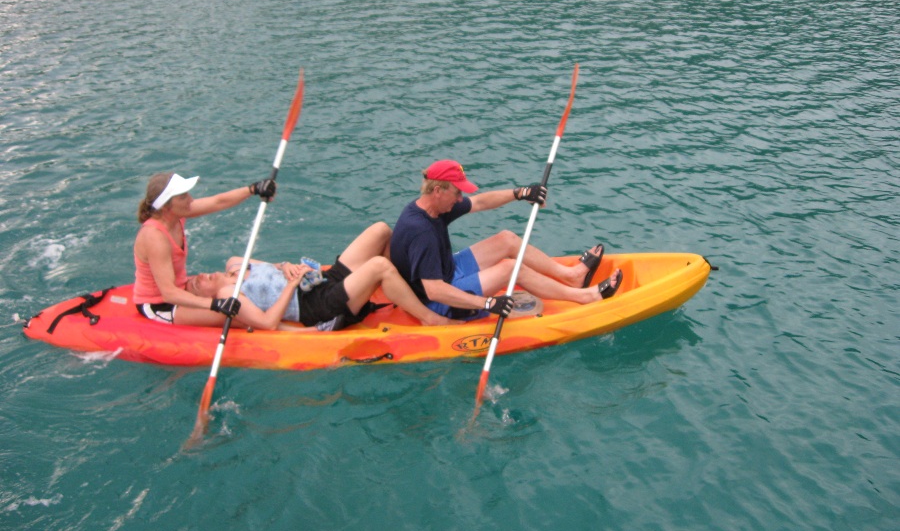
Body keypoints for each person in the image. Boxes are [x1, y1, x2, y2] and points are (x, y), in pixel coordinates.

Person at [390, 159, 623, 320]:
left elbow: (480, 202)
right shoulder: (421, 231)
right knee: (511, 269)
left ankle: (571, 277)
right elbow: (434, 291)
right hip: (441, 301)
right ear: (438, 191)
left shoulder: (434, 207)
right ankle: (584, 296)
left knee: (507, 239)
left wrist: (520, 193)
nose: (461, 198)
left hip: (448, 270)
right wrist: (487, 304)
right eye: (457, 192)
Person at [173, 222, 455, 330]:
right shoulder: (228, 295)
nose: (202, 276)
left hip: (320, 281)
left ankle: (407, 288)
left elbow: (275, 265)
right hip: (316, 306)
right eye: (197, 285)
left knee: (380, 230)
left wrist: (287, 267)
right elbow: (268, 323)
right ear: (207, 296)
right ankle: (430, 318)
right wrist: (291, 285)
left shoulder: (235, 263)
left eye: (198, 276)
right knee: (379, 265)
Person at [133, 172, 276, 323]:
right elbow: (169, 294)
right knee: (239, 314)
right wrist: (214, 304)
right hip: (161, 304)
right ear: (165, 206)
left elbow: (218, 202)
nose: (190, 200)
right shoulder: (155, 237)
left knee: (239, 289)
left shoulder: (175, 215)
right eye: (183, 197)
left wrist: (253, 189)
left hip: (182, 289)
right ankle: (283, 329)